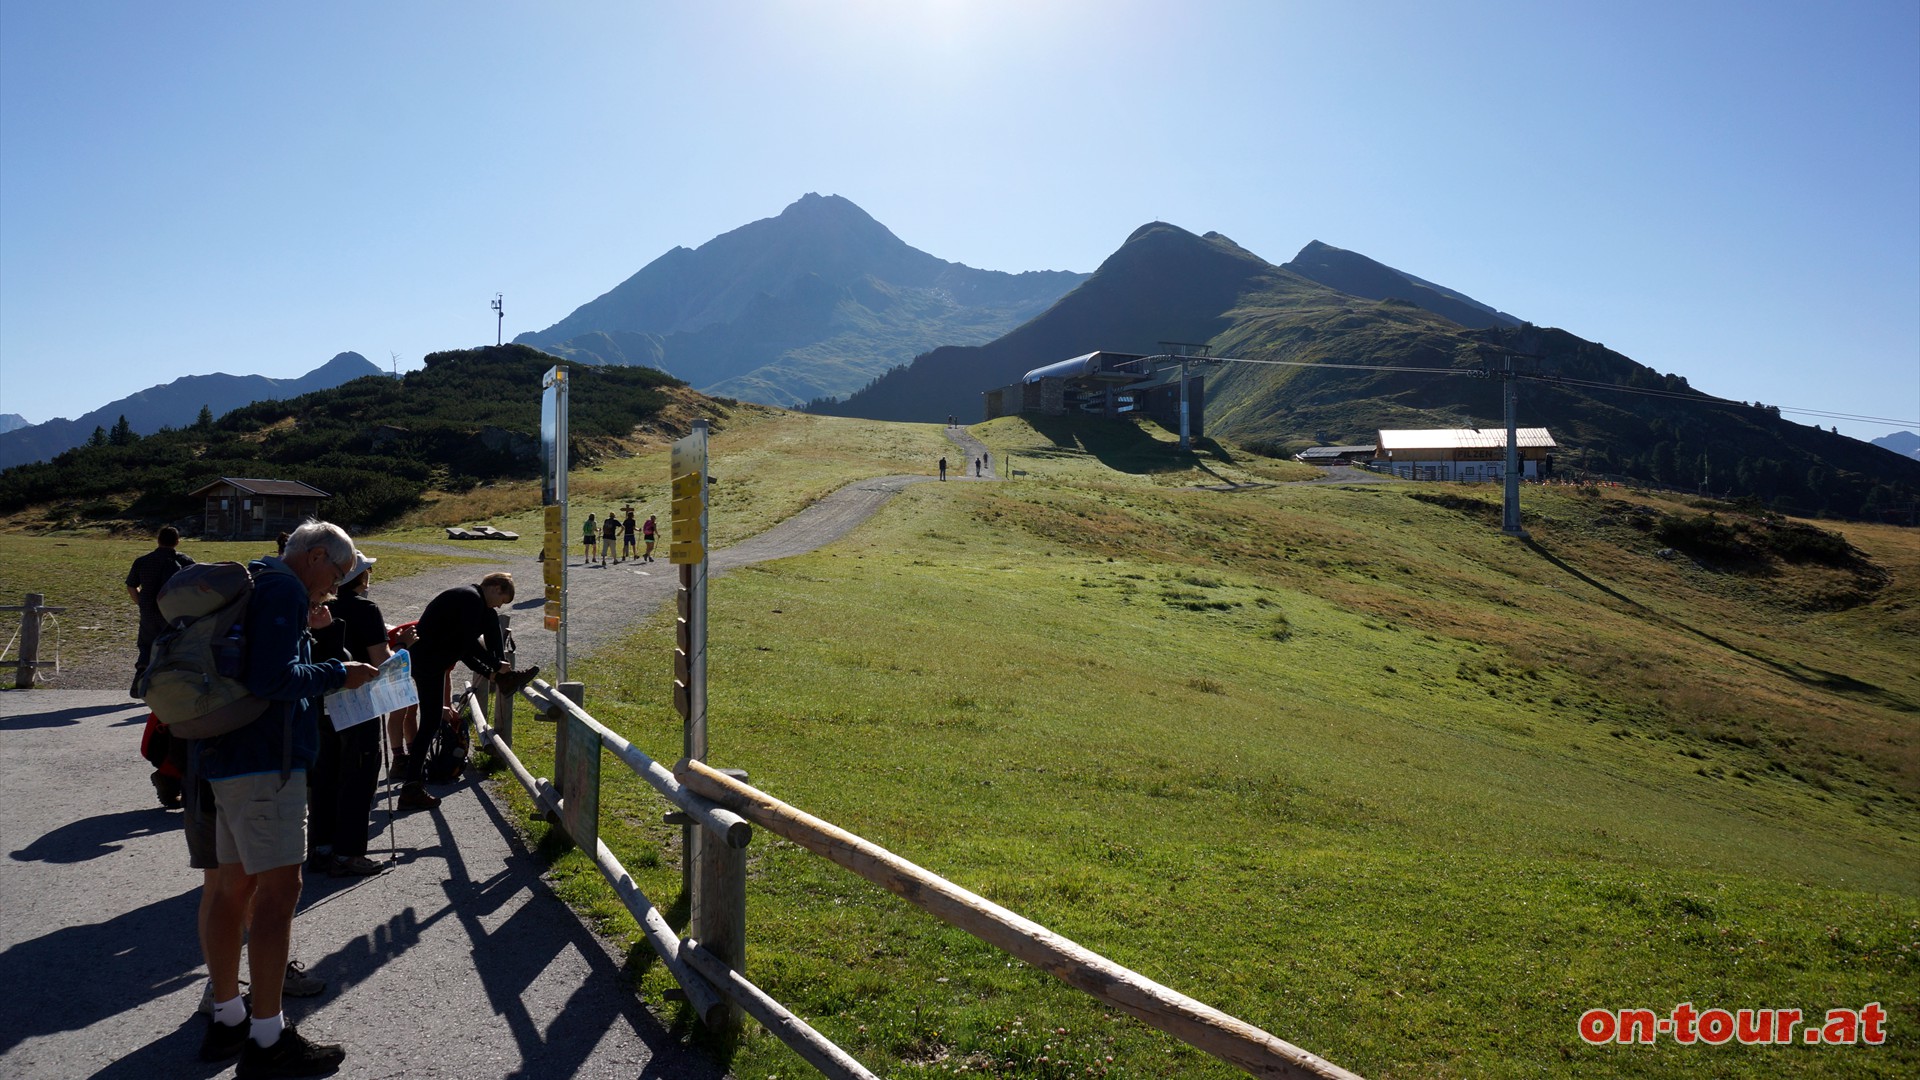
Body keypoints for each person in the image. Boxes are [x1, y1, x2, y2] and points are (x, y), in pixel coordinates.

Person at [194, 521, 379, 1074]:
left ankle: (227, 1018)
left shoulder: (253, 580)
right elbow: (273, 679)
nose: (338, 586)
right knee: (278, 891)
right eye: (339, 572)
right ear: (316, 555)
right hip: (266, 763)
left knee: (229, 887)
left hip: (222, 758)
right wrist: (337, 672)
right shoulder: (283, 588)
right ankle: (268, 1039)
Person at [396, 572, 536, 811]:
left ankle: (506, 678)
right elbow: (466, 645)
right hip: (428, 663)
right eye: (502, 598)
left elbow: (462, 648)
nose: (500, 604)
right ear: (494, 587)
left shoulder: (474, 603)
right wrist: (493, 666)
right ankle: (411, 786)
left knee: (491, 617)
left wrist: (491, 669)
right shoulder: (470, 599)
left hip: (432, 661)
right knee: (429, 723)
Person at [309, 552, 389, 877]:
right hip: (357, 702)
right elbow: (380, 660)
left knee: (324, 775)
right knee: (358, 776)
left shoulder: (316, 604)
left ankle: (321, 847)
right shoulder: (366, 609)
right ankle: (349, 854)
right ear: (361, 575)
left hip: (320, 698)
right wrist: (405, 649)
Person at [127, 525, 195, 698]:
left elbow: (131, 585)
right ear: (177, 542)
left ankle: (140, 677)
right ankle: (167, 687)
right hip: (172, 611)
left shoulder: (142, 561)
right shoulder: (185, 561)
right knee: (171, 647)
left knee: (146, 645)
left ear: (158, 540)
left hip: (148, 610)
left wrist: (140, 602)